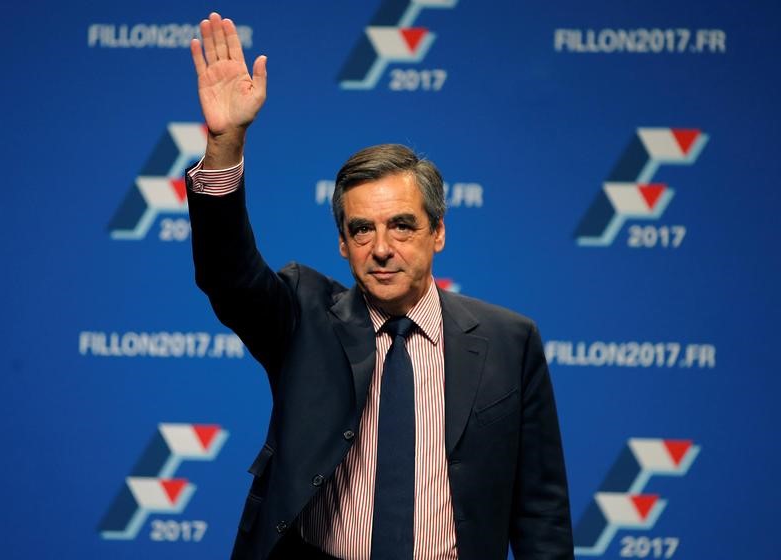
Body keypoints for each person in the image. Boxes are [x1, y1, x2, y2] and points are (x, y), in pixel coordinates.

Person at [186, 12, 573, 560]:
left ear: (438, 232)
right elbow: (228, 273)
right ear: (342, 243)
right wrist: (226, 144)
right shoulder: (303, 317)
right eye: (361, 229)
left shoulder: (510, 341)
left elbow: (541, 513)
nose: (382, 247)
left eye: (402, 226)